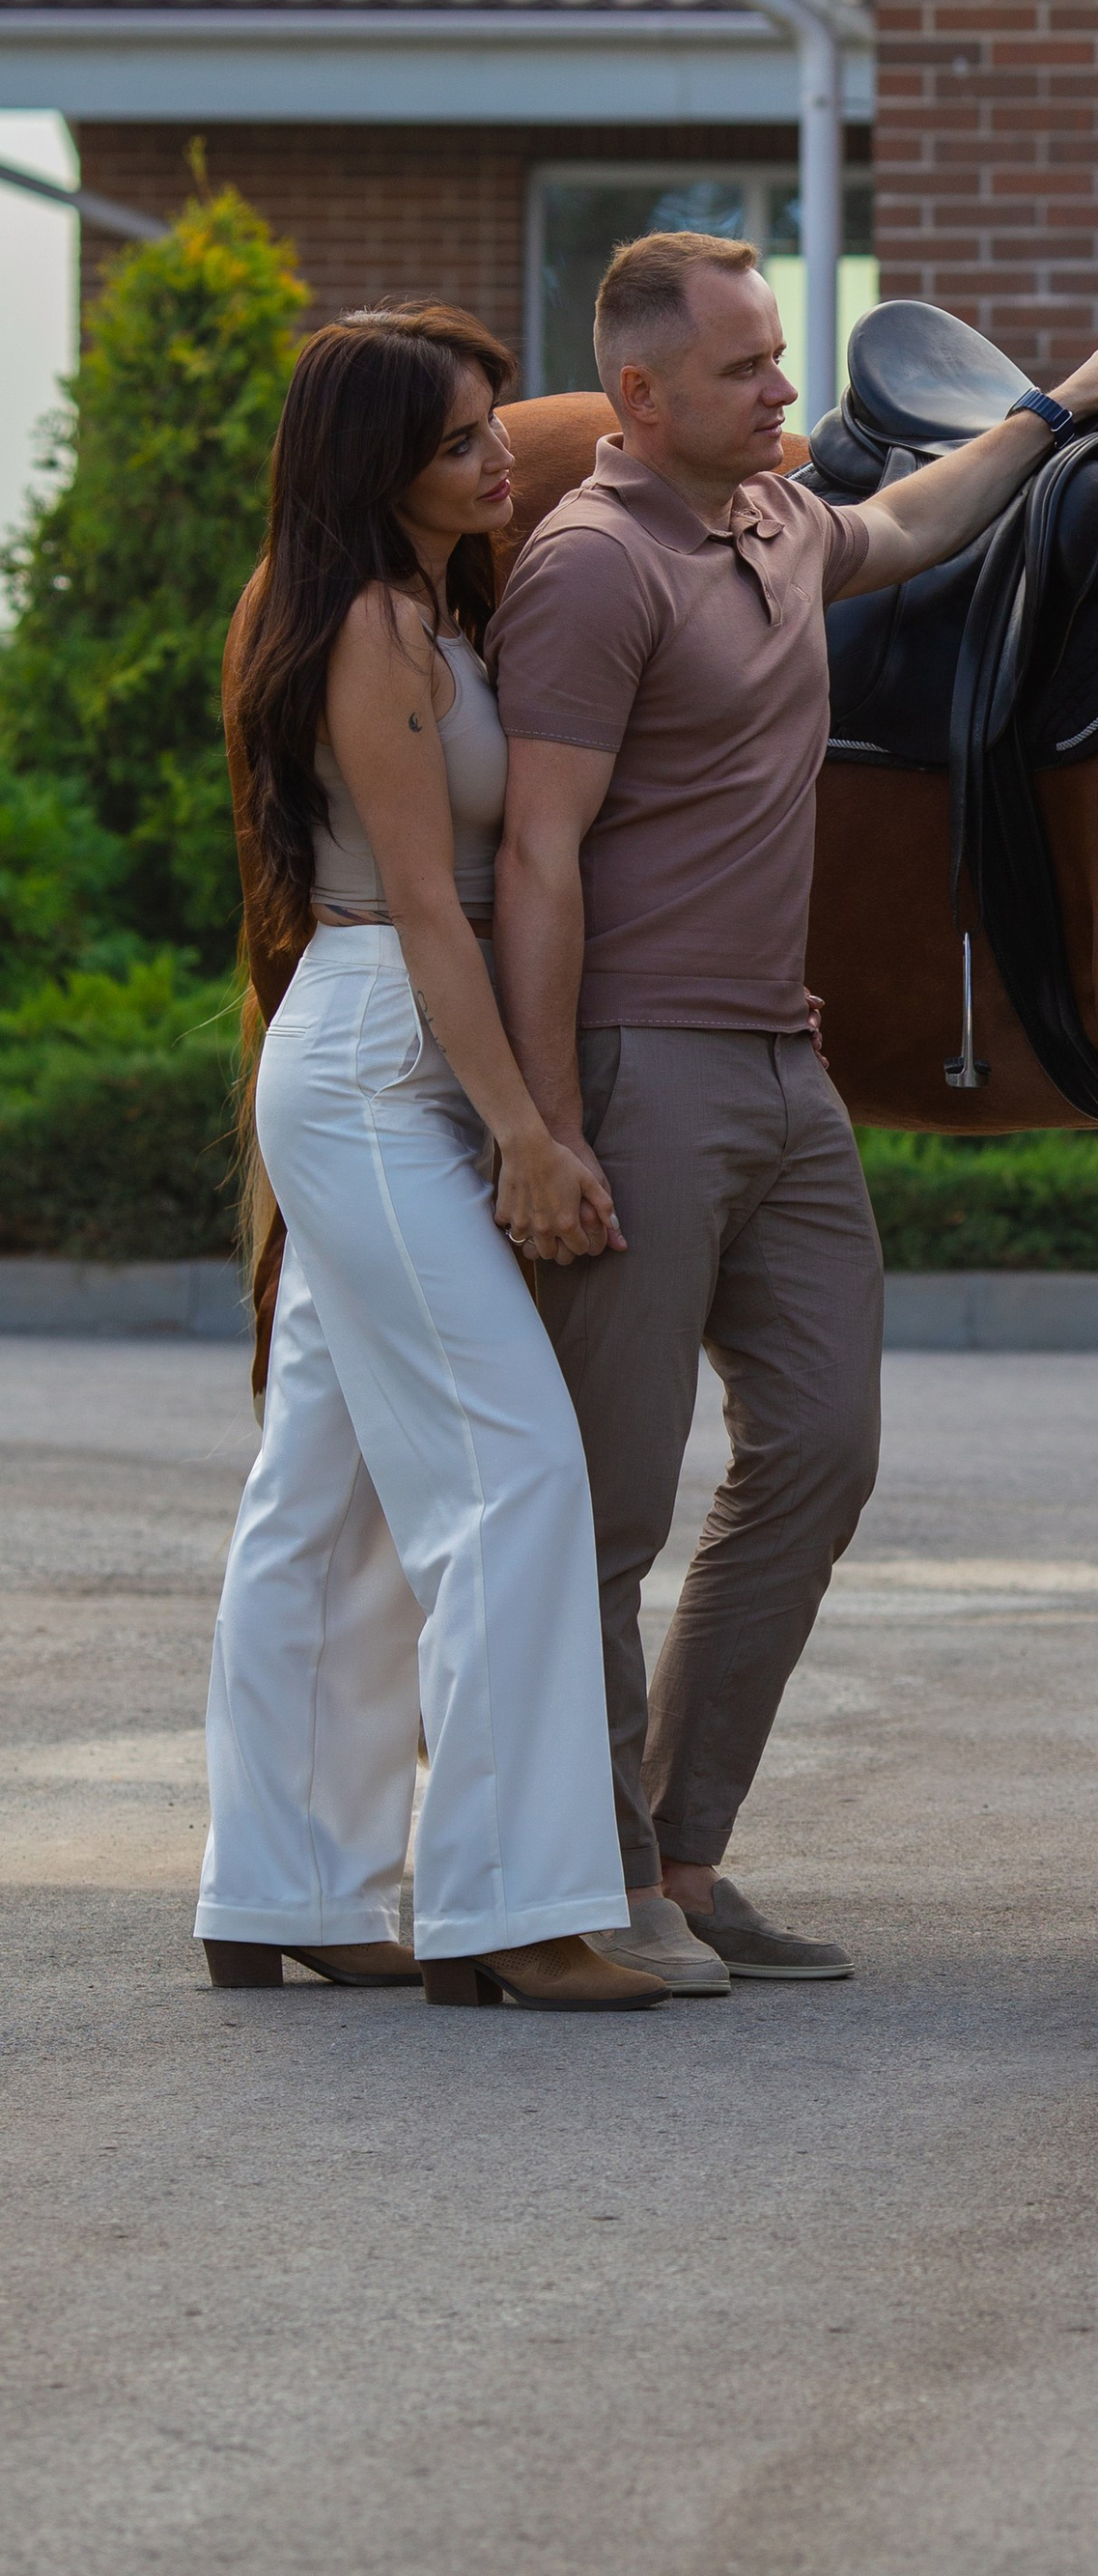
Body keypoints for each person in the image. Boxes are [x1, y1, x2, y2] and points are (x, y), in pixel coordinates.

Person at [491, 230, 1098, 1994]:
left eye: (780, 355)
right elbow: (540, 856)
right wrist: (546, 1126)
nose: (786, 391)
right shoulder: (586, 564)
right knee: (610, 1500)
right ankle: (585, 1881)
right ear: (636, 395)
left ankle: (685, 1846)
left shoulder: (779, 525)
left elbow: (926, 525)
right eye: (744, 367)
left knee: (820, 1449)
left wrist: (1056, 405)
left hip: (788, 1072)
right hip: (640, 1063)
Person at [199, 306, 667, 2013]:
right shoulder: (376, 633)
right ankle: (508, 1913)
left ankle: (282, 1883)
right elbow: (419, 906)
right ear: (376, 460)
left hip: (380, 1049)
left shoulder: (413, 609)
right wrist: (528, 1133)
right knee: (512, 1476)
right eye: (467, 437)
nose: (499, 460)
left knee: (325, 1500)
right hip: (384, 1058)